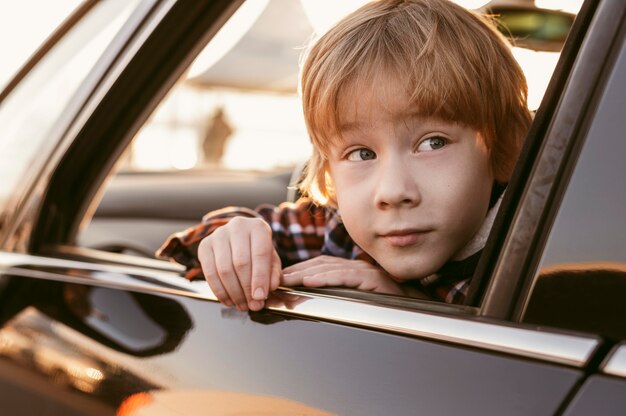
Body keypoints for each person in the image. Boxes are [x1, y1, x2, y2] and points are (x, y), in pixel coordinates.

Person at [157, 0, 532, 312]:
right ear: (329, 174)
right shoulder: (341, 228)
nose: (391, 191)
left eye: (432, 143)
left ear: (499, 148)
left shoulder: (531, 251)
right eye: (362, 153)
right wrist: (236, 237)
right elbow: (200, 245)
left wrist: (406, 303)